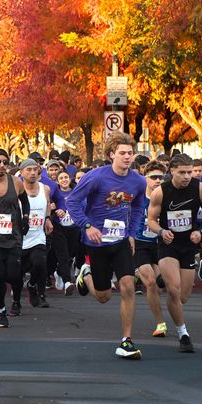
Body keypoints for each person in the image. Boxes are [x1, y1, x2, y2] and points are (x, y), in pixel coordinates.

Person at [68, 132, 145, 360]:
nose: (127, 157)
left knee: (128, 286)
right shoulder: (96, 177)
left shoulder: (138, 181)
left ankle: (126, 341)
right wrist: (87, 225)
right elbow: (72, 201)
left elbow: (139, 207)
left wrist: (131, 234)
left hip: (121, 241)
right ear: (112, 154)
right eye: (122, 153)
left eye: (130, 153)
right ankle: (86, 275)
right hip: (97, 241)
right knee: (103, 296)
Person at [147, 153, 202, 353]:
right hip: (168, 244)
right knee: (174, 290)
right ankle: (183, 333)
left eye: (190, 172)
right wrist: (161, 231)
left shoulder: (199, 188)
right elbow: (151, 220)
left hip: (188, 245)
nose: (187, 176)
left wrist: (200, 231)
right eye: (182, 173)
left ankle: (163, 281)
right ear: (172, 172)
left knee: (183, 297)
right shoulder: (161, 192)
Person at [0, 148, 29, 326]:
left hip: (14, 235)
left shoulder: (16, 181)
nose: (2, 166)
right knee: (0, 276)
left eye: (5, 162)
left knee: (14, 274)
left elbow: (25, 202)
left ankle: (16, 299)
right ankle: (1, 311)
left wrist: (25, 218)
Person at [133, 161, 168, 337]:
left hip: (160, 244)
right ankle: (160, 323)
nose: (157, 181)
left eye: (161, 177)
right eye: (153, 177)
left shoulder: (167, 198)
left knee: (161, 284)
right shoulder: (138, 198)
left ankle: (135, 273)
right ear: (145, 179)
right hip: (140, 244)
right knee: (151, 282)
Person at [19, 158, 53, 308]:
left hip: (38, 235)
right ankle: (16, 301)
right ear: (21, 172)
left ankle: (36, 289)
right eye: (29, 170)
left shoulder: (45, 188)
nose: (33, 173)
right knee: (16, 272)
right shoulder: (17, 189)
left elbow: (47, 205)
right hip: (21, 237)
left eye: (35, 169)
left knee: (40, 263)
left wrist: (47, 219)